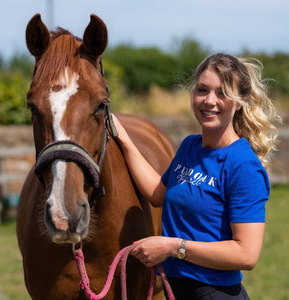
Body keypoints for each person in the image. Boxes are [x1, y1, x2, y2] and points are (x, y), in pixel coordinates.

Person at [112, 53, 280, 299]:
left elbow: (247, 255)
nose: (210, 100)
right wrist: (123, 139)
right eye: (203, 90)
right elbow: (157, 193)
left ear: (240, 101)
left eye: (222, 93)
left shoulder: (243, 166)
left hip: (214, 293)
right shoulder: (190, 147)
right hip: (174, 290)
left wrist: (171, 247)